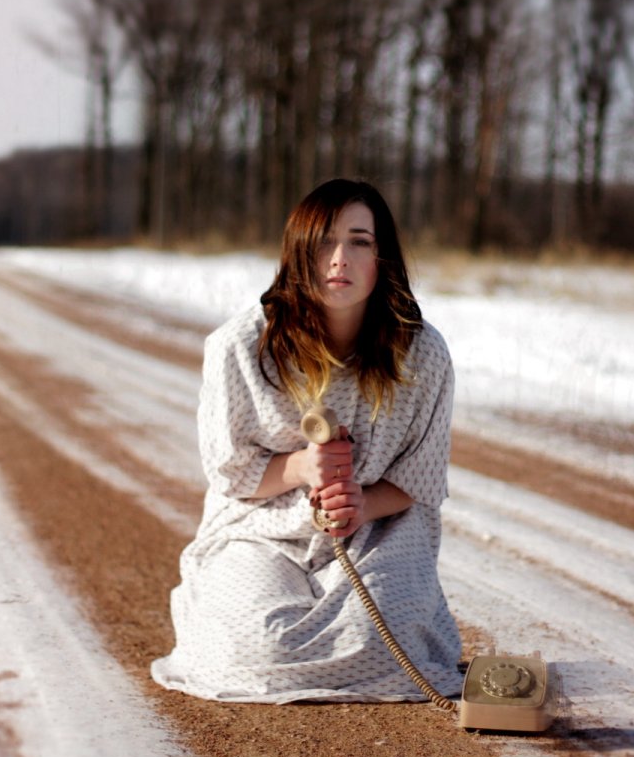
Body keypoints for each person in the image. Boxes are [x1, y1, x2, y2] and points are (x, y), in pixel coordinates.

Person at [149, 179, 464, 703]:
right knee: (257, 648)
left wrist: (361, 503)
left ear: (382, 256)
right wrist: (300, 468)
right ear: (298, 252)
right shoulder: (240, 348)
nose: (339, 258)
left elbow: (419, 479)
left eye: (359, 241)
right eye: (323, 242)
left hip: (380, 527)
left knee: (381, 643)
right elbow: (232, 476)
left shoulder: (423, 354)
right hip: (260, 526)